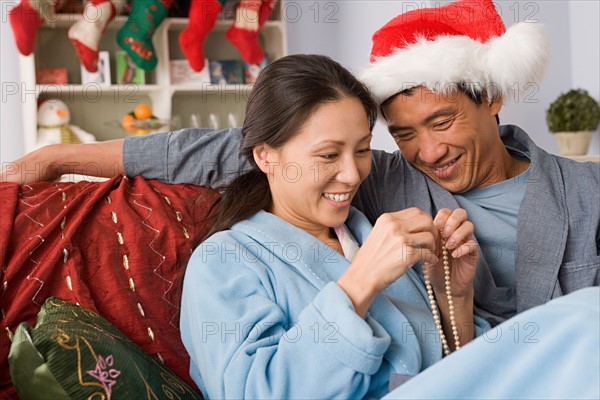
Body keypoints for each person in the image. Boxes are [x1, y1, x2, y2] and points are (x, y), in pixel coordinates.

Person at [2, 0, 599, 327]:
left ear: (492, 98)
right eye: (403, 133)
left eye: (442, 123)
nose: (428, 152)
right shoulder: (384, 179)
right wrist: (59, 157)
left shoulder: (587, 186)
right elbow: (218, 152)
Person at [179, 54, 598, 400]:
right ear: (265, 156)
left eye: (363, 150)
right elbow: (252, 392)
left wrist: (455, 295)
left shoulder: (368, 233)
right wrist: (358, 285)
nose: (351, 175)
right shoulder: (224, 261)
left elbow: (457, 367)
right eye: (328, 155)